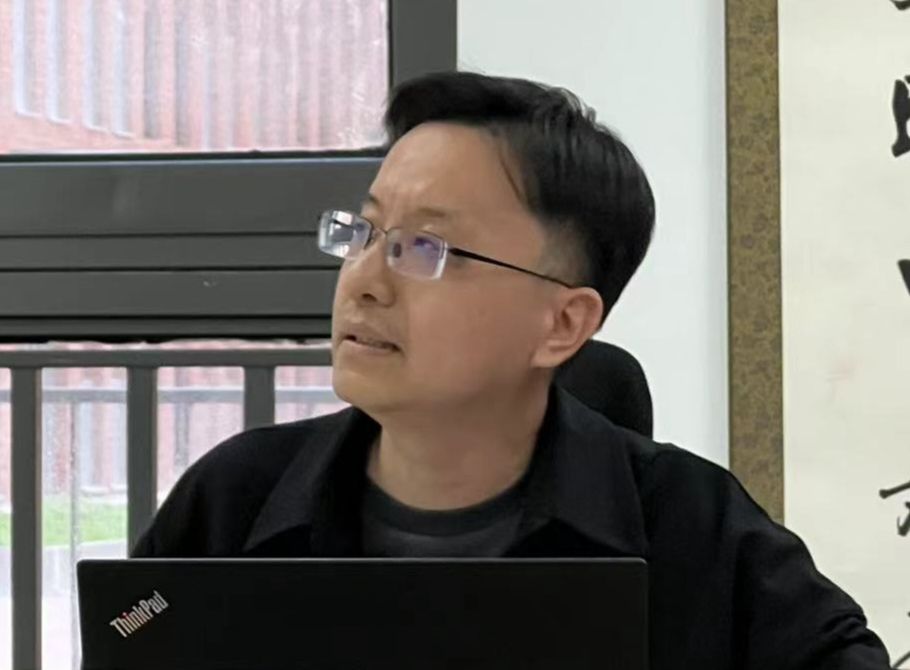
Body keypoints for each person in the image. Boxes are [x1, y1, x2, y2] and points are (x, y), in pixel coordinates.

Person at [133, 71, 891, 668]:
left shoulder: (692, 528)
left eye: (425, 248)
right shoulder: (234, 501)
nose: (364, 280)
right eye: (364, 231)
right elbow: (131, 631)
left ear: (563, 324)